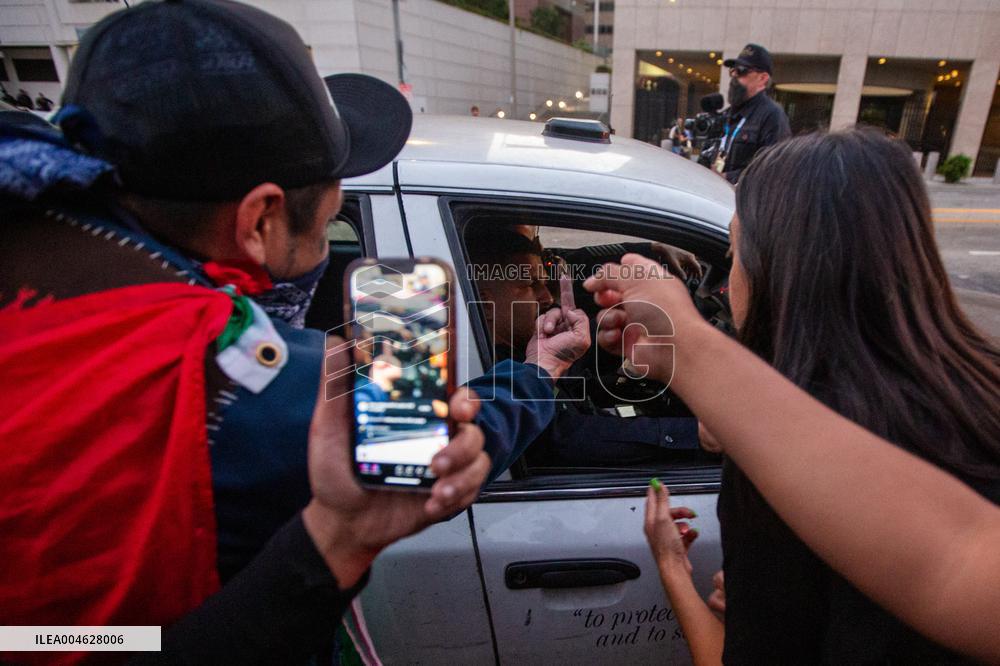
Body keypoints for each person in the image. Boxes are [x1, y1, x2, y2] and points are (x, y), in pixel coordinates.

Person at [0, 0, 578, 659]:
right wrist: (542, 370)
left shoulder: (35, 230)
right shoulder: (243, 378)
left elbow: (47, 640)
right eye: (333, 194)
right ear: (259, 221)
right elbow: (442, 447)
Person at [585, 129, 1000, 663]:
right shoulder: (979, 388)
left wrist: (671, 569)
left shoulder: (782, 482)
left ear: (777, 273)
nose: (721, 282)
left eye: (734, 252)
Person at [465, 226, 702, 469]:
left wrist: (620, 359)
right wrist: (695, 434)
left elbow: (575, 390)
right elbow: (565, 436)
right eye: (530, 284)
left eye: (545, 283)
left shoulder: (522, 349)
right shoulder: (489, 376)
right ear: (485, 304)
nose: (546, 297)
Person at [702, 44, 790, 184]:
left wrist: (727, 178)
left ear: (762, 78)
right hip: (716, 195)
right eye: (733, 70)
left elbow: (774, 170)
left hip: (744, 201)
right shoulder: (728, 114)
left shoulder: (772, 116)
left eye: (742, 71)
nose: (734, 76)